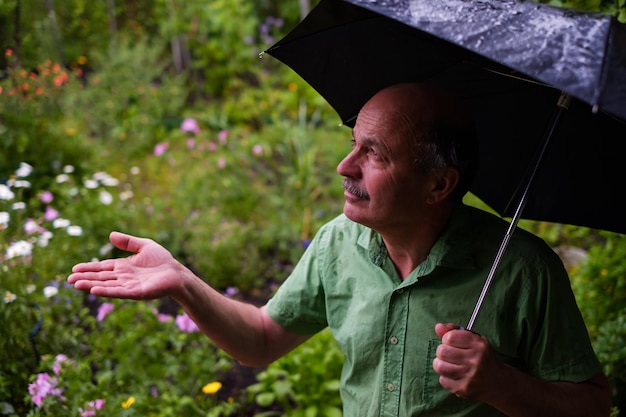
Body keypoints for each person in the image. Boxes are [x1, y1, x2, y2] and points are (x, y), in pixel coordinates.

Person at [68, 83, 611, 416]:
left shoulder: (521, 270)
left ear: (438, 185)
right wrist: (184, 282)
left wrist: (502, 386)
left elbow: (592, 405)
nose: (344, 168)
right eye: (352, 142)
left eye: (373, 154)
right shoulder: (338, 243)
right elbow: (259, 341)